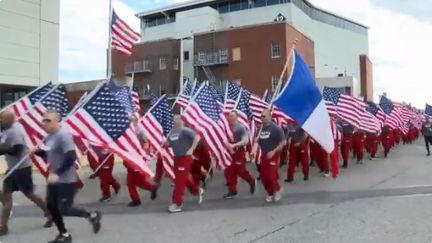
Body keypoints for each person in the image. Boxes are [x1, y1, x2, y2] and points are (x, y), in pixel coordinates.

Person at [31, 110, 101, 243]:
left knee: (64, 208)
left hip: (65, 179)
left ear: (57, 122)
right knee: (51, 206)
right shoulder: (49, 136)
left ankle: (92, 216)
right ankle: (64, 234)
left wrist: (57, 173)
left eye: (47, 121)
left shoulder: (63, 136)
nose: (43, 123)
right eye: (43, 120)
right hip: (54, 179)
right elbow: (49, 153)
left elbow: (71, 157)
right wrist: (37, 152)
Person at [0, 110, 52, 236]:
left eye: (2, 119)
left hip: (22, 168)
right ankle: (3, 227)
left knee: (31, 195)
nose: (0, 120)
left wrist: (1, 148)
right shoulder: (7, 127)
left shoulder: (15, 131)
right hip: (12, 168)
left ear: (9, 120)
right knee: (7, 197)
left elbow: (17, 151)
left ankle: (50, 213)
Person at [164, 115, 204, 213]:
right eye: (173, 119)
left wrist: (191, 149)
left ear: (182, 120)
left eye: (177, 119)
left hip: (185, 158)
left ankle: (177, 204)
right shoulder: (172, 132)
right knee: (183, 178)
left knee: (179, 182)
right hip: (177, 158)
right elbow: (170, 143)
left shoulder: (185, 130)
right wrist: (166, 144)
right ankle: (197, 190)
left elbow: (197, 137)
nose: (174, 121)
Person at [126, 115, 158, 207]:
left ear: (135, 121)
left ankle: (136, 200)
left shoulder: (139, 132)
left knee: (131, 182)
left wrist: (140, 156)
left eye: (131, 120)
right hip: (131, 159)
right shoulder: (129, 132)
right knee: (139, 181)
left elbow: (145, 145)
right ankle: (152, 188)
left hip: (136, 160)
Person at [223, 111, 256, 199]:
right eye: (229, 116)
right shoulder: (226, 127)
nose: (231, 117)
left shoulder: (240, 127)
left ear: (237, 116)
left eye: (233, 116)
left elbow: (245, 140)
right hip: (229, 153)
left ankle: (251, 181)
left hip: (238, 152)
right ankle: (232, 191)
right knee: (229, 172)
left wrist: (235, 145)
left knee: (240, 171)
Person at [257, 109, 286, 203]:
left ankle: (277, 190)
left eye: (264, 116)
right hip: (264, 155)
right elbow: (260, 140)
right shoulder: (261, 128)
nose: (262, 118)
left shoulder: (276, 129)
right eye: (261, 116)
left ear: (270, 116)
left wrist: (274, 151)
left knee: (271, 176)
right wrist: (257, 140)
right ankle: (270, 193)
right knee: (264, 177)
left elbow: (283, 142)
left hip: (273, 155)